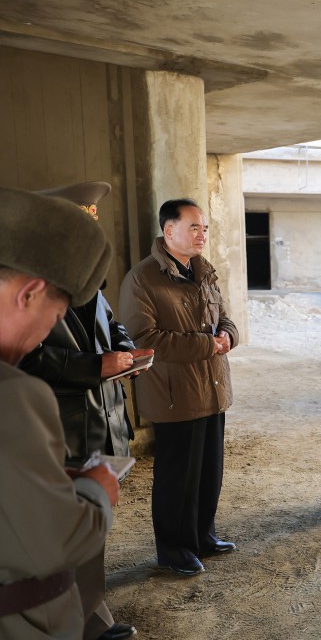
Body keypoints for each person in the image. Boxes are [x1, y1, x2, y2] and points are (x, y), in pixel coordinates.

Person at [18, 182, 145, 640]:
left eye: (92, 219)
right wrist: (95, 366)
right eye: (81, 220)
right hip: (65, 425)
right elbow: (26, 356)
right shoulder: (29, 281)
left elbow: (113, 325)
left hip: (103, 419)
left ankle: (93, 614)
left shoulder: (89, 281)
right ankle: (86, 622)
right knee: (67, 528)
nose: (91, 229)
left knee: (92, 526)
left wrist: (127, 352)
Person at [0, 186, 120, 639]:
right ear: (29, 294)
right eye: (52, 320)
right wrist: (95, 490)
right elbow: (55, 542)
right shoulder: (12, 395)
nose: (42, 335)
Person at [119, 198, 238, 576]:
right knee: (177, 477)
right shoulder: (143, 278)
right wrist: (209, 344)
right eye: (194, 227)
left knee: (208, 471)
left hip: (212, 387)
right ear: (169, 231)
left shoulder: (203, 271)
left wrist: (228, 336)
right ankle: (174, 549)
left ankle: (203, 536)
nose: (202, 234)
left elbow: (226, 318)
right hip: (174, 394)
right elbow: (144, 337)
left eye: (204, 228)